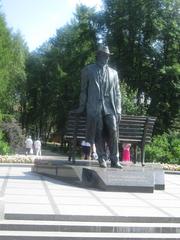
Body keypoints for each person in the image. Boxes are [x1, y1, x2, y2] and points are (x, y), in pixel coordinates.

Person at [74, 44, 123, 168]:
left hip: (109, 107)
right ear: (98, 55)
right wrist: (82, 106)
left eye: (107, 56)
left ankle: (114, 159)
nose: (106, 57)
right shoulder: (88, 70)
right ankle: (101, 158)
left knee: (113, 130)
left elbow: (117, 93)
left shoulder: (114, 73)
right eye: (103, 55)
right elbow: (83, 90)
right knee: (98, 131)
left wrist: (118, 110)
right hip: (94, 107)